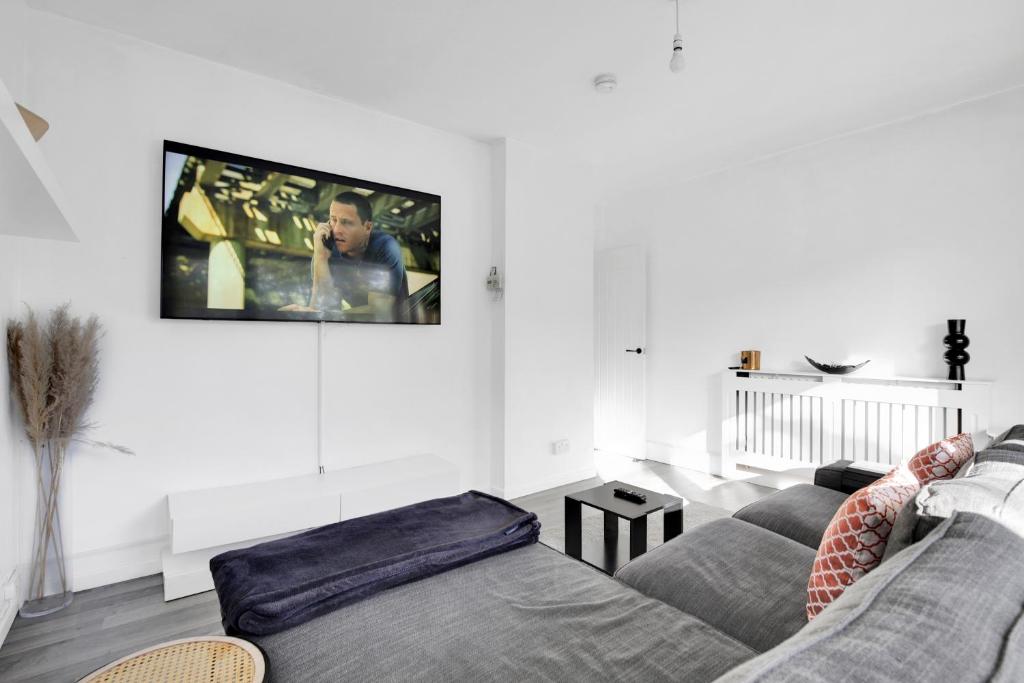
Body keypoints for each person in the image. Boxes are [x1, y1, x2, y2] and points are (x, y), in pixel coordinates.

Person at [281, 191, 408, 317]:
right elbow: (322, 305)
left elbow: (378, 311)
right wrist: (320, 256)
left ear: (367, 227)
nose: (336, 230)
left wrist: (328, 314)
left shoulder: (385, 246)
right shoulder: (326, 248)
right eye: (333, 220)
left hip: (399, 326)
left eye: (346, 222)